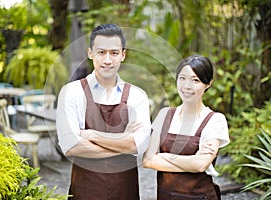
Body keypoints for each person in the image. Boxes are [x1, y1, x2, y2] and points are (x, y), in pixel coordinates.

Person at [56, 24, 151, 200]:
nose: (107, 60)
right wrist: (123, 142)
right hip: (85, 191)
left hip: (125, 191)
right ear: (90, 53)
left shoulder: (138, 96)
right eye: (101, 52)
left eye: (114, 53)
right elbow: (70, 146)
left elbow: (140, 145)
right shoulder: (71, 92)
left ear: (123, 55)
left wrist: (91, 134)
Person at [143, 55, 230, 200]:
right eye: (182, 78)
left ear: (208, 84)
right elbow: (147, 161)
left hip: (199, 196)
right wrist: (190, 162)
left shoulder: (215, 120)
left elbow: (201, 165)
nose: (187, 86)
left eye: (195, 80)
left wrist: (164, 157)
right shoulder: (164, 115)